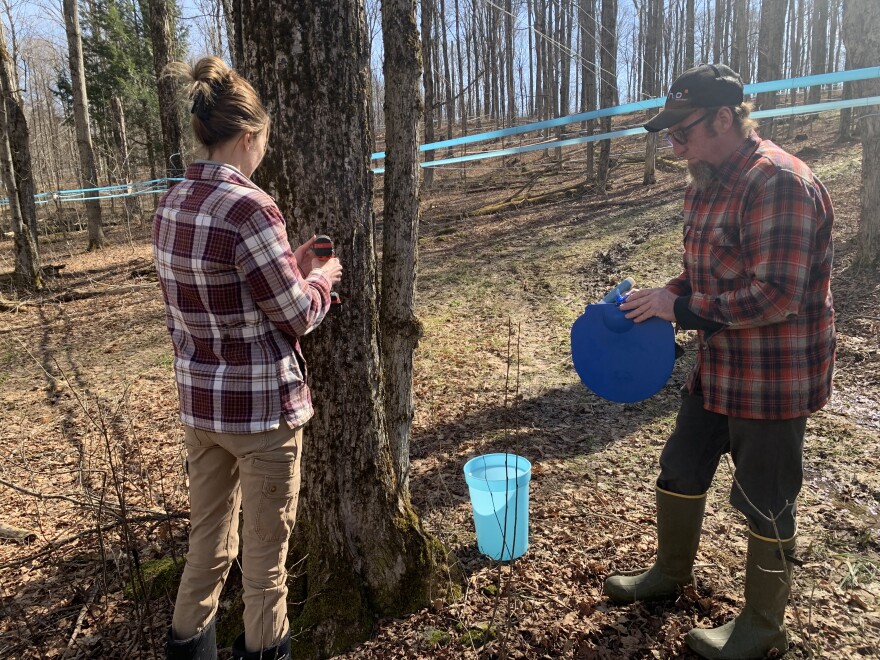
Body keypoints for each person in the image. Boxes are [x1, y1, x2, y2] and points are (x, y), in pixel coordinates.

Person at [603, 63, 835, 659]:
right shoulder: (706, 179)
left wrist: (679, 308)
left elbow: (776, 296)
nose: (675, 146)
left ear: (725, 118)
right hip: (719, 366)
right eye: (670, 135)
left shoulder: (777, 182)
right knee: (681, 464)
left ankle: (763, 626)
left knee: (765, 495)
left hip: (773, 375)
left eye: (683, 132)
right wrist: (661, 296)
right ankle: (671, 572)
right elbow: (707, 273)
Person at [153, 56, 342, 660]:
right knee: (265, 570)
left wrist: (286, 264)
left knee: (205, 549)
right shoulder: (251, 208)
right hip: (262, 414)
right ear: (250, 135)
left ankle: (187, 651)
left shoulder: (172, 203)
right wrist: (322, 279)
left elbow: (218, 290)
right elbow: (297, 316)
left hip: (201, 408)